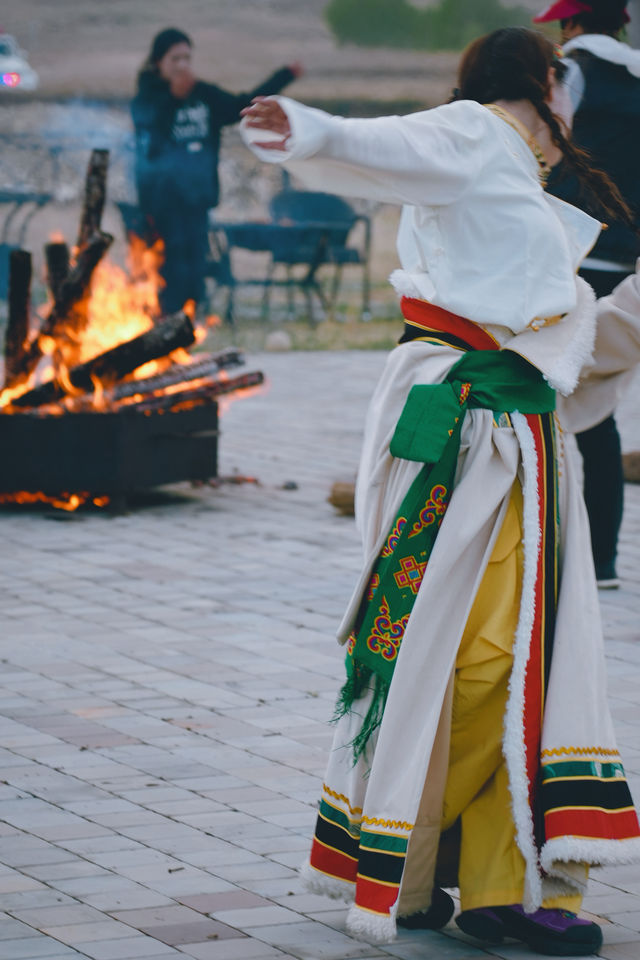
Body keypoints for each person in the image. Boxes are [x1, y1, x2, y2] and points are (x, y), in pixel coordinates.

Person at [240, 26, 640, 958]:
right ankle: (418, 860)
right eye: (566, 83)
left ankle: (482, 883)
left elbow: (554, 332)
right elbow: (390, 145)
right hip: (468, 435)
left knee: (511, 656)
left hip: (515, 437)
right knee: (474, 656)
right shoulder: (475, 131)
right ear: (544, 83)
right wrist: (308, 127)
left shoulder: (517, 179)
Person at [533, 0, 640, 588]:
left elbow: (546, 149)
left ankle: (545, 554)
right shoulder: (636, 74)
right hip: (625, 258)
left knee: (540, 400)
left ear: (570, 22)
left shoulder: (569, 71)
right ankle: (601, 560)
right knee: (598, 409)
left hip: (570, 251)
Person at [132, 27, 301, 315]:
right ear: (159, 62)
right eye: (175, 59)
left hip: (197, 199)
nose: (182, 65)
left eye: (187, 58)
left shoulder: (203, 94)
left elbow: (241, 106)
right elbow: (150, 134)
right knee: (169, 269)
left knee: (195, 267)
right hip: (162, 204)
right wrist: (173, 98)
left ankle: (190, 325)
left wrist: (283, 77)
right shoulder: (148, 97)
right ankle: (165, 324)